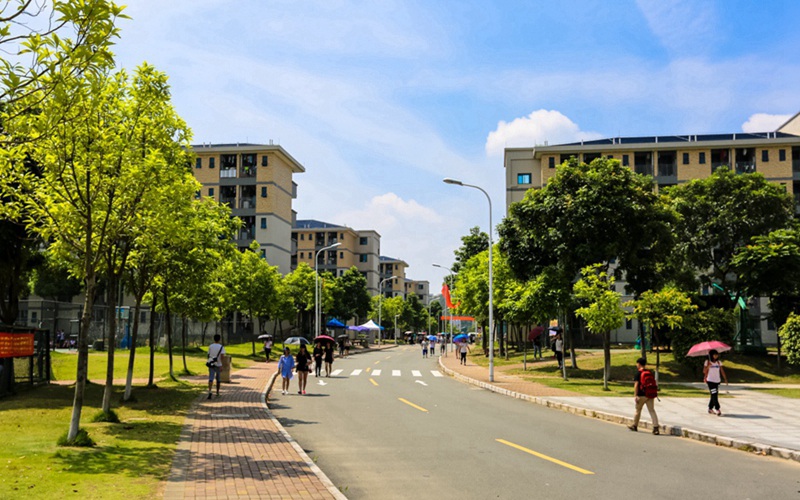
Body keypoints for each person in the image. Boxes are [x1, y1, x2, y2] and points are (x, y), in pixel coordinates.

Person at [628, 357, 660, 435]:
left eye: (637, 363)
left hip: (641, 395)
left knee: (638, 410)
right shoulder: (649, 372)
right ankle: (656, 428)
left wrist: (635, 395)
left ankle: (635, 425)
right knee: (652, 410)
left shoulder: (638, 373)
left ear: (639, 364)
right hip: (650, 394)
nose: (636, 365)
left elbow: (636, 385)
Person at [703, 349, 728, 416]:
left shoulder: (719, 362)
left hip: (717, 381)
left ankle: (710, 408)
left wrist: (725, 379)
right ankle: (717, 409)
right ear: (711, 355)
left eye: (717, 354)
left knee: (713, 394)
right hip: (710, 381)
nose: (716, 356)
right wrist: (708, 366)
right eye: (714, 355)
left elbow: (722, 371)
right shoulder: (707, 362)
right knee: (714, 394)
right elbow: (704, 371)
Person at [207, 334, 226, 400]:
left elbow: (208, 355)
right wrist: (221, 364)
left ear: (214, 339)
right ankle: (217, 392)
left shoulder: (210, 346)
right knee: (218, 379)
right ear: (219, 339)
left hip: (212, 364)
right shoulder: (221, 347)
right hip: (218, 364)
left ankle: (209, 391)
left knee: (211, 378)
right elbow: (222, 356)